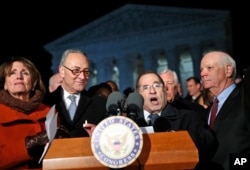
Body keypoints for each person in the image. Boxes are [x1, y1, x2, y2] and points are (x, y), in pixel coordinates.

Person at [135, 71, 218, 169]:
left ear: (164, 90)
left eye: (157, 85)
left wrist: (179, 137)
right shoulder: (130, 124)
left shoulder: (189, 117)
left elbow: (209, 142)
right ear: (138, 95)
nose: (152, 91)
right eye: (145, 87)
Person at [0, 57, 66, 169]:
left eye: (25, 73)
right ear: (5, 84)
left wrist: (63, 140)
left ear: (33, 82)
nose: (19, 77)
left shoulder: (49, 111)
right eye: (12, 73)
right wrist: (27, 145)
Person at [200, 51, 250, 170]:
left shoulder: (245, 100)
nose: (203, 73)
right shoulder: (208, 111)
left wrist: (233, 165)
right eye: (201, 69)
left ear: (228, 70)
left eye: (209, 68)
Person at [46, 49, 107, 137]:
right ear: (62, 71)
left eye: (86, 72)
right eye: (76, 71)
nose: (82, 77)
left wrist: (101, 134)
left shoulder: (100, 104)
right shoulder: (46, 103)